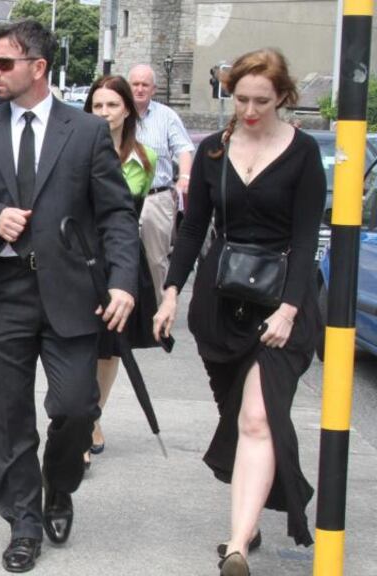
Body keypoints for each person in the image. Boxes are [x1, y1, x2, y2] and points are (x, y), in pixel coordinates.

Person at [0, 20, 139, 573]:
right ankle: (23, 522)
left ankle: (60, 486)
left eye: (4, 63)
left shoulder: (86, 131)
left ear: (38, 68)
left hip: (72, 291)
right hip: (1, 290)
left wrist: (123, 280)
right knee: (6, 417)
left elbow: (117, 213)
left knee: (76, 406)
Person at [152, 49, 324, 576]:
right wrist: (171, 291)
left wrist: (292, 310)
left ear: (284, 98)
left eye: (261, 101)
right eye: (241, 98)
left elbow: (305, 238)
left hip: (282, 302)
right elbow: (191, 228)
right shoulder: (211, 155)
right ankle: (248, 518)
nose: (249, 110)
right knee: (241, 414)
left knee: (256, 417)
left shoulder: (304, 154)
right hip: (222, 304)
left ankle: (236, 546)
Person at [82, 75, 161, 469]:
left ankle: (94, 414)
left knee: (111, 348)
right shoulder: (76, 150)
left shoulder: (143, 158)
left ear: (127, 109)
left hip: (121, 257)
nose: (104, 113)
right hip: (82, 256)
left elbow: (131, 215)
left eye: (112, 105)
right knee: (81, 343)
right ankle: (80, 421)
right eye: (97, 106)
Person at [127, 64, 195, 305]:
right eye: (135, 84)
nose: (139, 89)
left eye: (145, 85)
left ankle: (159, 310)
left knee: (156, 259)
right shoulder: (118, 113)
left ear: (154, 89)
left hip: (156, 197)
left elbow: (184, 149)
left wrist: (184, 178)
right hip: (121, 198)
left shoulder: (166, 116)